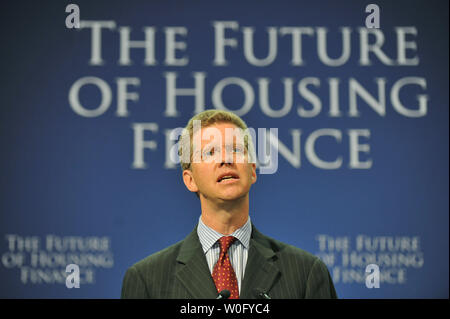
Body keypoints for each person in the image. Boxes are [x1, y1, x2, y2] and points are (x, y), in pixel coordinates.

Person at [121, 109, 337, 299]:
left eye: (235, 150)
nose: (226, 159)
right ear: (190, 180)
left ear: (252, 171)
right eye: (210, 152)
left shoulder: (306, 273)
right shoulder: (147, 279)